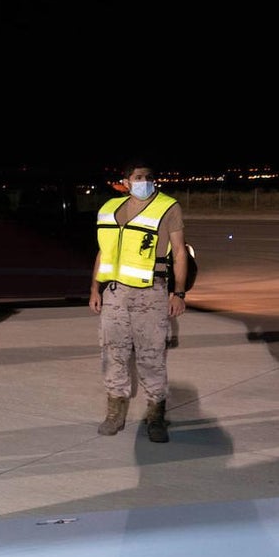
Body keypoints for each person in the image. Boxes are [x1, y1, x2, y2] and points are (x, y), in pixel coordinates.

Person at [89, 158, 187, 443]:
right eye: (138, 177)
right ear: (126, 182)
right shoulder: (110, 208)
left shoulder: (168, 207)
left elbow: (179, 252)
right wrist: (95, 288)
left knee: (151, 357)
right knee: (112, 353)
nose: (145, 182)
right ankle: (115, 413)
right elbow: (103, 252)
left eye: (149, 177)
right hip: (115, 293)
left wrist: (179, 293)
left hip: (151, 293)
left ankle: (156, 416)